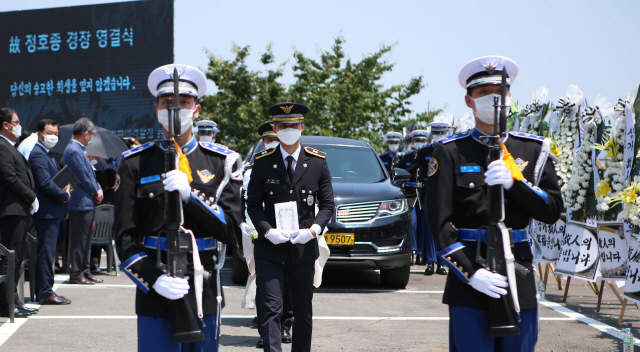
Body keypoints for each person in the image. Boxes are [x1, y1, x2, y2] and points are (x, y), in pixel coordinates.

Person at [425, 55, 562, 352]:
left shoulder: (532, 150)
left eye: (499, 92)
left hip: (518, 274)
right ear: (468, 101)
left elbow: (551, 210)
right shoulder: (450, 152)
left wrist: (516, 184)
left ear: (510, 96)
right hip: (470, 279)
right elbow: (439, 224)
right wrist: (472, 272)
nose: (493, 99)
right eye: (483, 93)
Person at [115, 63, 242, 351]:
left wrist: (192, 197)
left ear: (197, 110)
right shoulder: (134, 162)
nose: (175, 109)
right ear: (156, 108)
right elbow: (124, 236)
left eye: (184, 102)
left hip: (204, 287)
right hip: (155, 286)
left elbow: (231, 230)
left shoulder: (221, 162)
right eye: (167, 102)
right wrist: (153, 279)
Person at [247, 103, 334, 352]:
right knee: (271, 310)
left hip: (303, 249)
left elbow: (328, 205)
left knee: (303, 313)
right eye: (283, 126)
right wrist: (266, 230)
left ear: (302, 127)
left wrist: (313, 230)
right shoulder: (263, 161)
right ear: (274, 129)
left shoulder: (317, 161)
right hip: (270, 249)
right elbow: (253, 203)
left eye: (293, 125)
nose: (288, 130)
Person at [240, 121, 293, 348]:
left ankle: (286, 325)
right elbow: (247, 203)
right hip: (261, 233)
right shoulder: (252, 170)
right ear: (263, 142)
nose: (272, 143)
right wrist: (252, 228)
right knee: (264, 283)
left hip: (292, 234)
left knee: (290, 283)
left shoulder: (296, 163)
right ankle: (266, 330)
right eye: (269, 140)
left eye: (276, 139)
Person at [0, 108, 39, 318]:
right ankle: (7, 305)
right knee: (11, 258)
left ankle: (14, 300)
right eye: (16, 122)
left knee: (18, 256)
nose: (18, 125)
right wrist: (31, 196)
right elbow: (10, 177)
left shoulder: (10, 146)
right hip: (12, 210)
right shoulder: (2, 146)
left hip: (20, 210)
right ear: (6, 125)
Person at [29, 119, 72, 305]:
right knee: (46, 254)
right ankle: (45, 292)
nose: (53, 136)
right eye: (49, 133)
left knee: (48, 252)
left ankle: (46, 289)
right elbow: (45, 183)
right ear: (39, 134)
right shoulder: (38, 154)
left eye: (56, 133)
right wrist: (64, 195)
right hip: (46, 213)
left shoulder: (48, 154)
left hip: (53, 212)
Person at [63, 118, 104, 285]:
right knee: (79, 240)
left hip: (86, 201)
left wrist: (99, 188)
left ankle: (85, 271)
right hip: (80, 202)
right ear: (86, 134)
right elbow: (83, 177)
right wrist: (96, 191)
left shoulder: (79, 149)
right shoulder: (73, 150)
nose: (92, 138)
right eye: (92, 135)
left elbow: (91, 174)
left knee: (86, 239)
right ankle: (76, 273)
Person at [406, 123, 450, 275]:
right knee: (430, 228)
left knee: (442, 228)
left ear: (445, 133)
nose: (438, 135)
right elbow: (411, 168)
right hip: (428, 193)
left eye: (441, 133)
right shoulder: (425, 151)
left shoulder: (450, 149)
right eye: (436, 133)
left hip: (446, 193)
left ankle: (442, 264)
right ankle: (430, 263)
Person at [394, 130, 428, 264]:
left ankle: (421, 253)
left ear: (426, 142)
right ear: (412, 142)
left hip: (423, 192)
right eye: (417, 140)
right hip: (410, 193)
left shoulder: (428, 153)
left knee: (423, 224)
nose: (419, 143)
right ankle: (412, 251)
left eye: (422, 141)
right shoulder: (405, 157)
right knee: (412, 222)